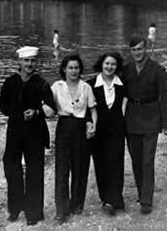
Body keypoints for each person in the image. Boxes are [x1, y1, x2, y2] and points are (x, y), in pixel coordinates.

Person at [0, 46, 56, 226]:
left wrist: (37, 112)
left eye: (32, 61)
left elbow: (51, 109)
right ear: (20, 62)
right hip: (14, 133)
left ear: (36, 62)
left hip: (35, 134)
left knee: (35, 172)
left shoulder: (42, 83)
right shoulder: (10, 82)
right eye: (26, 61)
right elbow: (3, 107)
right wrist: (16, 114)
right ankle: (15, 209)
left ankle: (34, 213)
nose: (29, 64)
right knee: (12, 169)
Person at [123, 35, 167, 215]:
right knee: (136, 160)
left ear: (146, 49)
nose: (137, 53)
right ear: (130, 51)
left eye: (140, 49)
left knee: (147, 161)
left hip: (152, 117)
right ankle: (141, 192)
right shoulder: (126, 69)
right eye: (134, 50)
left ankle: (146, 200)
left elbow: (166, 96)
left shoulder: (158, 70)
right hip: (131, 118)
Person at [51, 54, 97, 224]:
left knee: (80, 167)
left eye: (76, 68)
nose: (73, 71)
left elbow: (92, 110)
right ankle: (61, 210)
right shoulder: (57, 86)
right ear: (64, 69)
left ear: (80, 69)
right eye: (70, 68)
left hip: (81, 128)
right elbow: (48, 105)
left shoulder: (86, 87)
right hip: (63, 127)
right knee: (62, 169)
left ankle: (77, 204)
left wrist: (93, 125)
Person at [87, 52, 127, 216]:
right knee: (101, 163)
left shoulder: (122, 84)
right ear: (101, 65)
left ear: (117, 67)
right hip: (99, 130)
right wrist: (89, 124)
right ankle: (106, 199)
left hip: (117, 129)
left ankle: (116, 198)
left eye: (113, 64)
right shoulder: (91, 84)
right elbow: (87, 108)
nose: (110, 67)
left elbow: (128, 104)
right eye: (107, 64)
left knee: (116, 162)